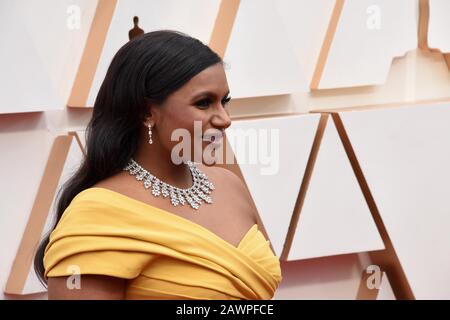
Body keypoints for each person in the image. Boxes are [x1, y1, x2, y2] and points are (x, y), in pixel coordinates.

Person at [35, 30, 282, 299]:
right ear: (146, 112)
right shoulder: (95, 216)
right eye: (204, 103)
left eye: (224, 102)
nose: (224, 119)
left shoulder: (229, 186)